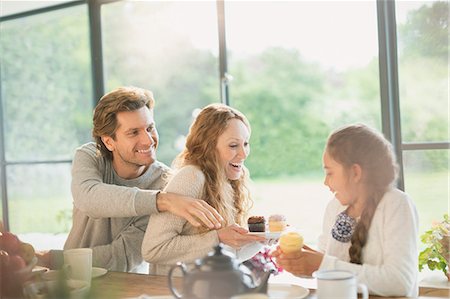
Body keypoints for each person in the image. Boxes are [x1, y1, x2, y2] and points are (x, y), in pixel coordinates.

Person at [38, 86, 223, 273]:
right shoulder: (91, 157)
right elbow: (88, 198)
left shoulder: (166, 184)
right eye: (133, 132)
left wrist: (48, 258)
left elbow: (120, 256)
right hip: (70, 280)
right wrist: (161, 201)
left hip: (125, 285)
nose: (148, 140)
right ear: (108, 142)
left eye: (150, 128)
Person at [272, 124, 419, 297]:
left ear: (355, 172)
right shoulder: (335, 207)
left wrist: (321, 264)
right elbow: (329, 263)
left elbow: (399, 282)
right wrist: (301, 261)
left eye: (330, 173)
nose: (325, 182)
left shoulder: (396, 204)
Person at [142, 103, 265, 275]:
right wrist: (218, 237)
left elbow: (228, 254)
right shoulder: (191, 177)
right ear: (208, 146)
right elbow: (154, 249)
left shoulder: (226, 180)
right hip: (176, 291)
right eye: (233, 145)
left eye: (245, 143)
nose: (243, 154)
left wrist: (263, 239)